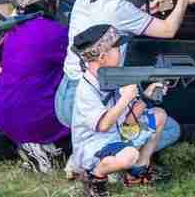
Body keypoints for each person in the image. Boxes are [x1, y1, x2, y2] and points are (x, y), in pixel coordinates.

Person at [55, 0, 195, 129]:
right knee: (169, 128)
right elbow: (167, 30)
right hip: (91, 100)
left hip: (66, 95)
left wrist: (149, 9)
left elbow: (112, 24)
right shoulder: (117, 6)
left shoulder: (83, 0)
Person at [72, 24, 177, 196]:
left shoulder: (114, 76)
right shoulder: (86, 88)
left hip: (119, 135)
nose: (120, 52)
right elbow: (103, 126)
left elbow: (129, 119)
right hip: (95, 145)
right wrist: (125, 98)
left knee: (159, 115)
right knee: (129, 155)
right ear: (103, 56)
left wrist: (146, 98)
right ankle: (95, 178)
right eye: (117, 49)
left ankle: (137, 173)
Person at [0, 0, 70, 173]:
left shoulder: (14, 27)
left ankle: (36, 147)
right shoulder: (54, 32)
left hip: (6, 115)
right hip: (34, 118)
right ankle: (43, 145)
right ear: (48, 0)